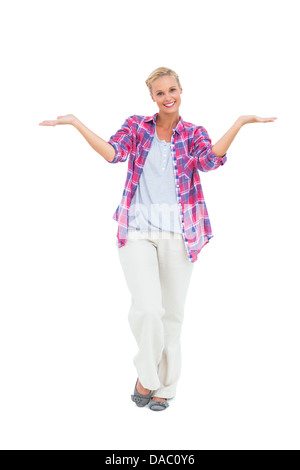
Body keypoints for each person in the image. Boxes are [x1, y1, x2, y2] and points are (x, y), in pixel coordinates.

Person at [39, 67, 277, 412]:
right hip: (137, 229)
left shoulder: (193, 132)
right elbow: (112, 154)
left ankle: (167, 386)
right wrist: (76, 123)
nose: (168, 98)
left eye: (172, 90)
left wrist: (239, 123)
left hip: (180, 232)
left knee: (172, 315)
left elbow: (210, 161)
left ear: (181, 91)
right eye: (160, 93)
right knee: (148, 309)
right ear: (152, 98)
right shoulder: (137, 126)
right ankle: (146, 377)